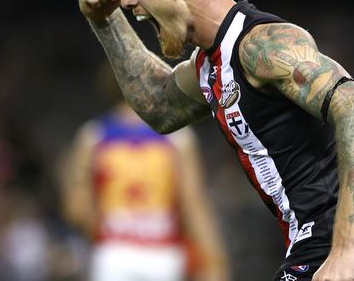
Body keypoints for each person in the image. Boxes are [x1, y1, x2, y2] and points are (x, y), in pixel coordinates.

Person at [77, 0, 354, 280]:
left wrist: (346, 251)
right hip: (312, 250)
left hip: (352, 253)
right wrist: (105, 21)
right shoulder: (210, 65)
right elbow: (159, 106)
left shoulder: (263, 45)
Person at [61, 100, 230, 281]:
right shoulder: (178, 137)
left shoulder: (94, 134)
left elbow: (77, 209)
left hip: (113, 255)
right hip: (163, 254)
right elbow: (194, 204)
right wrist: (215, 260)